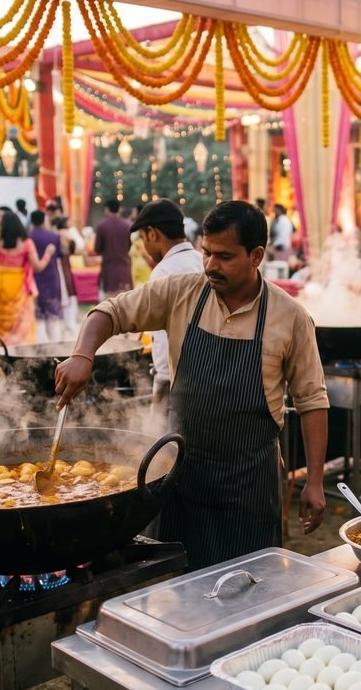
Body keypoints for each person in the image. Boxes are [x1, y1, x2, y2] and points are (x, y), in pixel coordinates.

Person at [56, 201, 328, 569]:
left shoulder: (290, 317)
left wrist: (314, 481)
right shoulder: (182, 292)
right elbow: (111, 312)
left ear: (256, 256)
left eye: (225, 256)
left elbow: (312, 401)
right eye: (207, 253)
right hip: (182, 474)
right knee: (176, 588)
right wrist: (83, 355)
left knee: (248, 588)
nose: (211, 266)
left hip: (248, 483)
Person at [131, 199, 205, 415]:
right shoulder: (203, 261)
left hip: (180, 385)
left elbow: (163, 343)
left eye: (144, 238)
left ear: (153, 234)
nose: (145, 245)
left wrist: (160, 398)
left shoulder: (162, 273)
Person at [0, 210, 52, 347]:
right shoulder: (27, 243)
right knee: (21, 322)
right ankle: (19, 354)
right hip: (19, 286)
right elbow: (38, 267)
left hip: (0, 285)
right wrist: (47, 254)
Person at [28, 210, 67, 343]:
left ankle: (41, 345)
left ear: (32, 221)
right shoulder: (54, 236)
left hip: (34, 278)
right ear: (44, 220)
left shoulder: (28, 237)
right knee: (53, 313)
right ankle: (55, 346)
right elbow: (61, 256)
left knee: (38, 314)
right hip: (52, 277)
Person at [94, 200, 133, 300]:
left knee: (109, 306)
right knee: (125, 304)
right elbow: (130, 246)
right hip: (125, 270)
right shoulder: (128, 225)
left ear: (107, 209)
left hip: (108, 272)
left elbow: (97, 249)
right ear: (119, 210)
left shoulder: (101, 226)